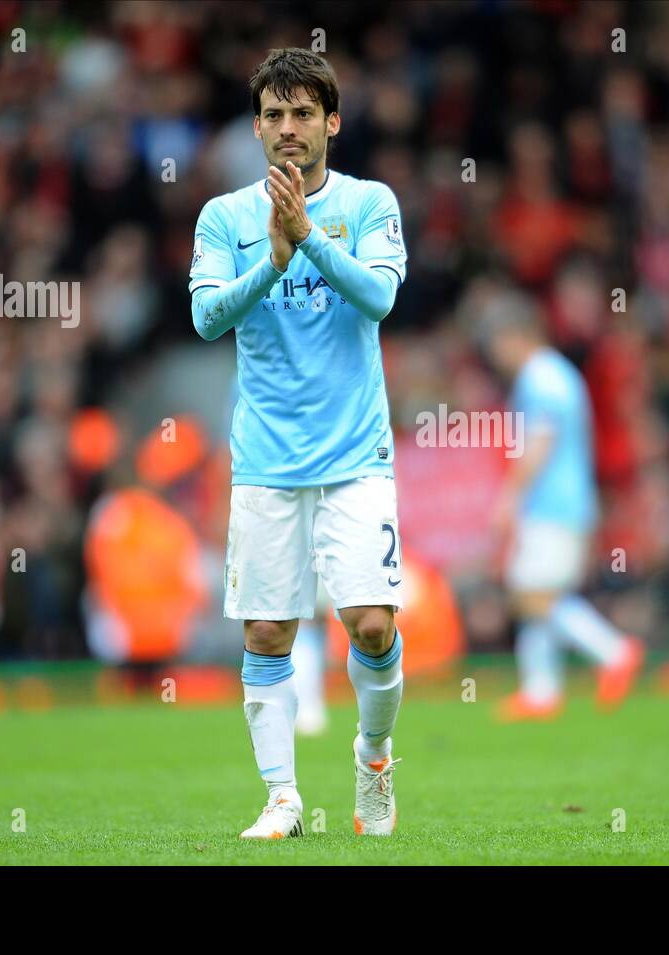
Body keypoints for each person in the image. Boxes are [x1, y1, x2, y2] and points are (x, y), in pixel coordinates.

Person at [189, 48, 408, 839]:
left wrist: (308, 238)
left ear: (332, 122)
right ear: (256, 127)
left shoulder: (369, 202)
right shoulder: (225, 218)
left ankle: (373, 755)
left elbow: (379, 297)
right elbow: (207, 317)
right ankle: (283, 798)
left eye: (304, 113)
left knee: (373, 624)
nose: (288, 127)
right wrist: (272, 263)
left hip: (355, 456)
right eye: (274, 114)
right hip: (266, 461)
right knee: (266, 632)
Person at [475, 282, 643, 721]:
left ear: (514, 336)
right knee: (537, 592)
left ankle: (613, 651)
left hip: (552, 505)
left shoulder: (541, 379)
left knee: (533, 595)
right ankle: (541, 691)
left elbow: (539, 444)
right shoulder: (558, 374)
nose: (496, 357)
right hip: (566, 504)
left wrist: (510, 498)